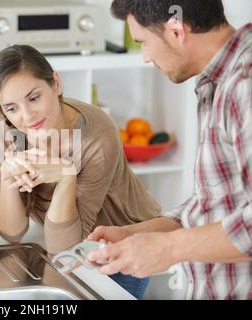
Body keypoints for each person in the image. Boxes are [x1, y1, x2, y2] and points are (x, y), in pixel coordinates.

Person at [87, 0, 251, 300]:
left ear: (176, 29)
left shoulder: (245, 84)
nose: (146, 57)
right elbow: (218, 202)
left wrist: (168, 249)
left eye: (144, 43)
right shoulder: (220, 79)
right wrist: (136, 234)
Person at [0, 44, 162, 299]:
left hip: (119, 247)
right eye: (11, 107)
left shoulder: (96, 137)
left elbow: (65, 247)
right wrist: (7, 179)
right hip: (58, 245)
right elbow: (12, 233)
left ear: (56, 83)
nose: (26, 116)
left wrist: (67, 175)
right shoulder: (4, 128)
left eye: (34, 97)